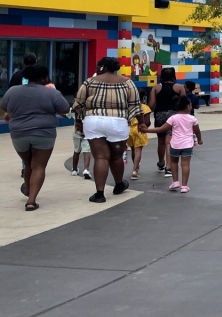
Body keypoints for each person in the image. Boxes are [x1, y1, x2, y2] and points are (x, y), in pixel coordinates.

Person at [71, 56, 143, 203]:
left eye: (98, 66)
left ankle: (99, 194)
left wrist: (79, 120)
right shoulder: (127, 82)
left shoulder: (89, 82)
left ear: (103, 67)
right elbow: (136, 105)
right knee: (116, 156)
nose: (96, 69)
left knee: (101, 157)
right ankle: (118, 185)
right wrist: (141, 123)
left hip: (93, 121)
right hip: (118, 122)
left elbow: (78, 104)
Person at [1, 65, 71, 210]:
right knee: (39, 166)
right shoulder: (52, 93)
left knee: (28, 164)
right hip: (44, 133)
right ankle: (31, 201)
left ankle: (27, 189)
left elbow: (5, 107)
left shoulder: (12, 91)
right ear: (43, 78)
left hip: (19, 133)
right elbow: (65, 109)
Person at [145, 95, 202, 192]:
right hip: (187, 145)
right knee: (185, 165)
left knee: (174, 162)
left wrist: (146, 130)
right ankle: (184, 186)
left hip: (175, 144)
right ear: (188, 106)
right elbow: (197, 131)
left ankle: (175, 182)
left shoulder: (173, 118)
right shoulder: (192, 119)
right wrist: (199, 140)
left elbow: (161, 129)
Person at [149, 67, 186, 176]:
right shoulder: (179, 87)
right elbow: (183, 103)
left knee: (161, 141)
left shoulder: (156, 88)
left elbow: (151, 104)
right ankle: (168, 167)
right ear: (174, 75)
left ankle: (161, 162)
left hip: (160, 115)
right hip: (173, 116)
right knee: (169, 141)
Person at [127, 103, 152, 179]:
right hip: (139, 128)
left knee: (133, 149)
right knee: (138, 150)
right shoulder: (145, 107)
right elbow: (147, 121)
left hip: (130, 130)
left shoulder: (129, 107)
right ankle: (134, 170)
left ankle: (136, 167)